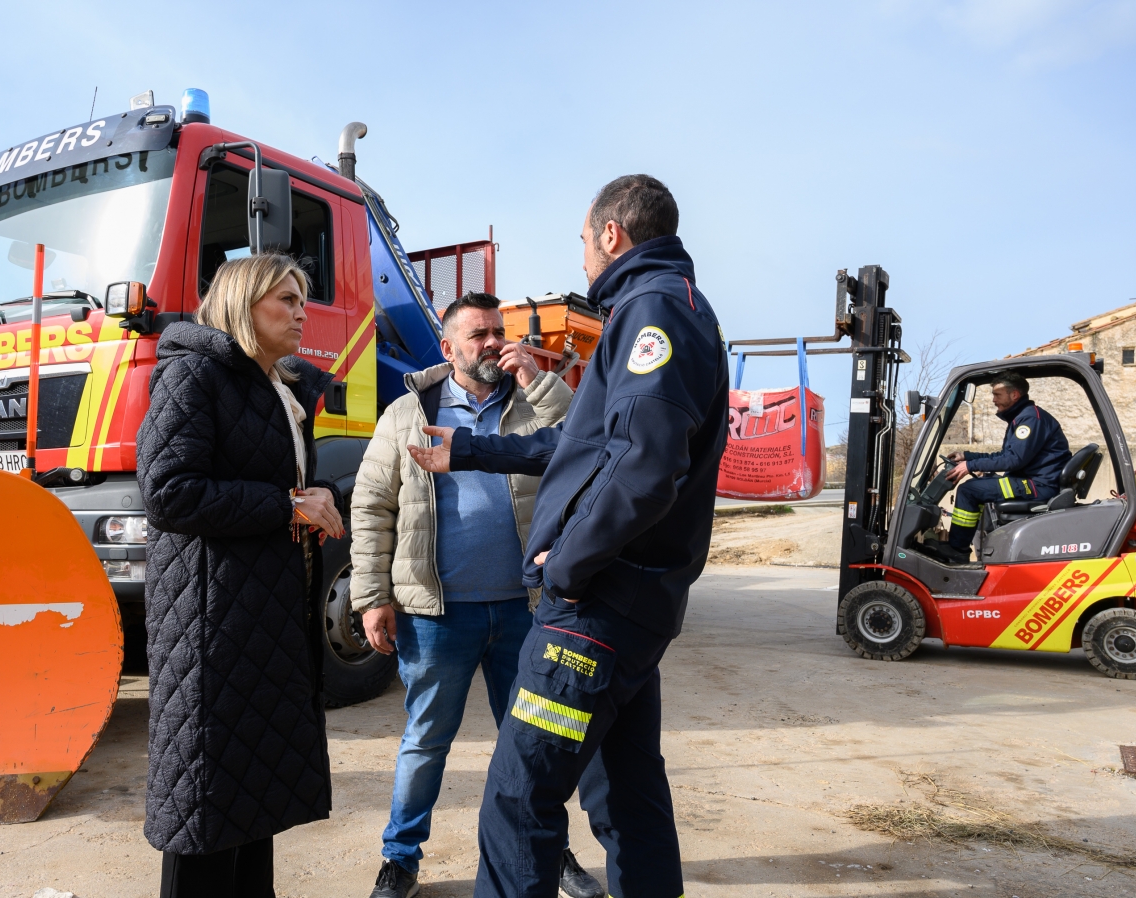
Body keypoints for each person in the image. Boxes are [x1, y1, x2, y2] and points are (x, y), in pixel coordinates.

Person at [407, 175, 731, 898]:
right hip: (627, 608)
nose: (583, 256)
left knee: (519, 799)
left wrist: (567, 565)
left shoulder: (654, 314)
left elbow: (645, 468)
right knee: (625, 791)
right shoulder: (656, 308)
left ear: (612, 234)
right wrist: (471, 450)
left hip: (595, 611)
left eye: (584, 241)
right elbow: (584, 449)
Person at [351, 293, 603, 898]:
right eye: (478, 335)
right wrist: (371, 595)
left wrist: (538, 379)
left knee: (538, 744)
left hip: (526, 611)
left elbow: (582, 445)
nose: (493, 343)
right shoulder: (406, 415)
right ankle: (401, 857)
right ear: (448, 348)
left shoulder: (532, 404)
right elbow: (372, 505)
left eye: (498, 331)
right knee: (425, 741)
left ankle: (551, 850)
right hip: (437, 614)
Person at [137, 253, 346, 898]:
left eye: (303, 300)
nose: (300, 311)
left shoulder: (276, 386)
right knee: (205, 803)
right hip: (210, 621)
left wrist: (320, 496)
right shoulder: (194, 374)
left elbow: (274, 482)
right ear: (242, 304)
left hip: (263, 616)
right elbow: (169, 492)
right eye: (285, 299)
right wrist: (285, 505)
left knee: (255, 793)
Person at [939, 371, 1071, 564]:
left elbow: (1013, 460)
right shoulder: (1022, 418)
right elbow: (1005, 456)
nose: (993, 400)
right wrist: (967, 457)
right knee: (980, 485)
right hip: (1031, 481)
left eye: (997, 395)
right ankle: (963, 546)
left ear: (1014, 395)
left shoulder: (1030, 420)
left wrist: (970, 466)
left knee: (969, 491)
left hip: (1037, 486)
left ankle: (957, 550)